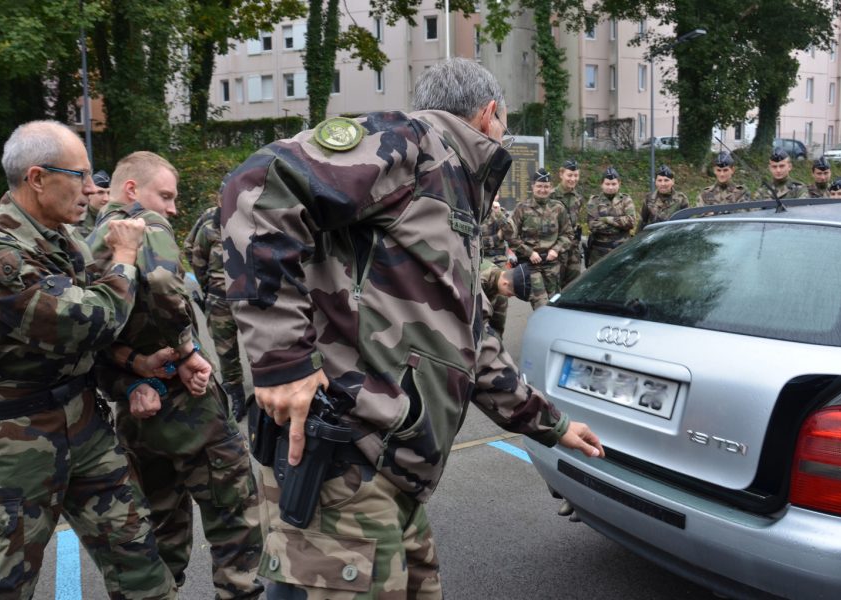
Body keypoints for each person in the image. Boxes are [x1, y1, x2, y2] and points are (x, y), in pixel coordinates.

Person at [220, 57, 604, 600]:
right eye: (504, 121)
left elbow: (468, 340)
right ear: (490, 114)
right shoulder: (410, 143)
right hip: (346, 460)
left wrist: (551, 424)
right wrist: (281, 360)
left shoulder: (453, 185)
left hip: (394, 474)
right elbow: (259, 185)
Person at [0, 121, 176, 599]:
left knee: (140, 562)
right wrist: (124, 255)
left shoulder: (65, 240)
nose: (90, 189)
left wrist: (133, 369)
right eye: (79, 176)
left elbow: (96, 345)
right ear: (37, 178)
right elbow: (84, 322)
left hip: (85, 425)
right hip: (13, 440)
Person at [87, 152, 263, 598]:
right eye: (165, 195)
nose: (171, 208)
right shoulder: (146, 224)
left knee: (162, 530)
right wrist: (186, 347)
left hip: (135, 411)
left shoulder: (80, 243)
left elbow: (83, 336)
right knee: (235, 525)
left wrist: (127, 377)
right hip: (190, 407)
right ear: (132, 191)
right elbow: (166, 284)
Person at [183, 179, 248, 421]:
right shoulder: (210, 223)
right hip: (220, 300)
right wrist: (208, 288)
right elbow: (196, 256)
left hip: (249, 299)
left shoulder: (253, 219)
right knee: (226, 351)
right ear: (219, 198)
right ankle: (237, 396)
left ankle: (262, 398)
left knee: (257, 349)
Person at [511, 168, 573, 308]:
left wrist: (556, 249)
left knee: (555, 304)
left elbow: (568, 234)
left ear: (551, 188)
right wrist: (529, 252)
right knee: (541, 303)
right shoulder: (522, 208)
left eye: (546, 186)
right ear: (533, 186)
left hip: (552, 264)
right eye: (539, 186)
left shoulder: (558, 208)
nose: (542, 190)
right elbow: (511, 237)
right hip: (531, 265)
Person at [479, 196, 517, 335]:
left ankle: (496, 341)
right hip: (478, 262)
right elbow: (471, 240)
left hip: (498, 262)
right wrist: (496, 238)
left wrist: (498, 214)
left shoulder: (501, 212)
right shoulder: (474, 211)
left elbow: (510, 234)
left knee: (500, 303)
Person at [585, 167, 636, 266]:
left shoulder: (625, 200)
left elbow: (631, 222)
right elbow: (593, 225)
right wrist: (620, 225)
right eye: (607, 184)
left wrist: (607, 219)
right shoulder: (594, 201)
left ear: (619, 184)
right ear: (602, 184)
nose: (610, 187)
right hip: (599, 252)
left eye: (614, 184)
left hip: (622, 250)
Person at [550, 158, 584, 286]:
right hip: (556, 249)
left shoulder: (578, 198)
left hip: (573, 250)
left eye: (576, 175)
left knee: (573, 287)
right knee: (555, 287)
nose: (573, 179)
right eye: (569, 175)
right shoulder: (551, 196)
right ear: (561, 174)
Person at [638, 164, 689, 231]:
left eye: (666, 180)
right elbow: (642, 223)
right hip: (652, 237)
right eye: (659, 180)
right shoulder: (649, 199)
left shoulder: (681, 199)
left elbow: (687, 224)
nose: (663, 184)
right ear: (655, 182)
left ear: (672, 181)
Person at [75, 169, 111, 237]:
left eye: (109, 193)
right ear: (89, 195)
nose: (106, 199)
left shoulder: (115, 217)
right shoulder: (76, 216)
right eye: (100, 192)